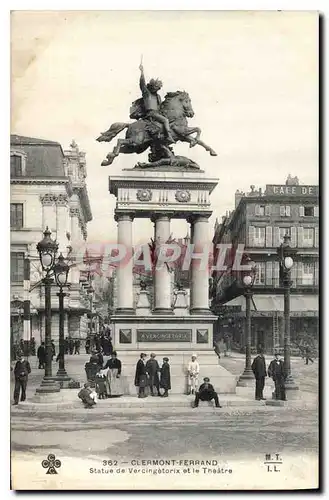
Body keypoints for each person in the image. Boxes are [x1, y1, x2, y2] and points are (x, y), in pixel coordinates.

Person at [139, 62, 174, 142]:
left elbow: (160, 106)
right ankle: (168, 136)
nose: (157, 89)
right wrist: (142, 72)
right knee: (165, 120)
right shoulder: (147, 93)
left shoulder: (158, 97)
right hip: (151, 113)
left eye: (158, 88)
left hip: (157, 113)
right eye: (156, 87)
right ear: (152, 86)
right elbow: (142, 84)